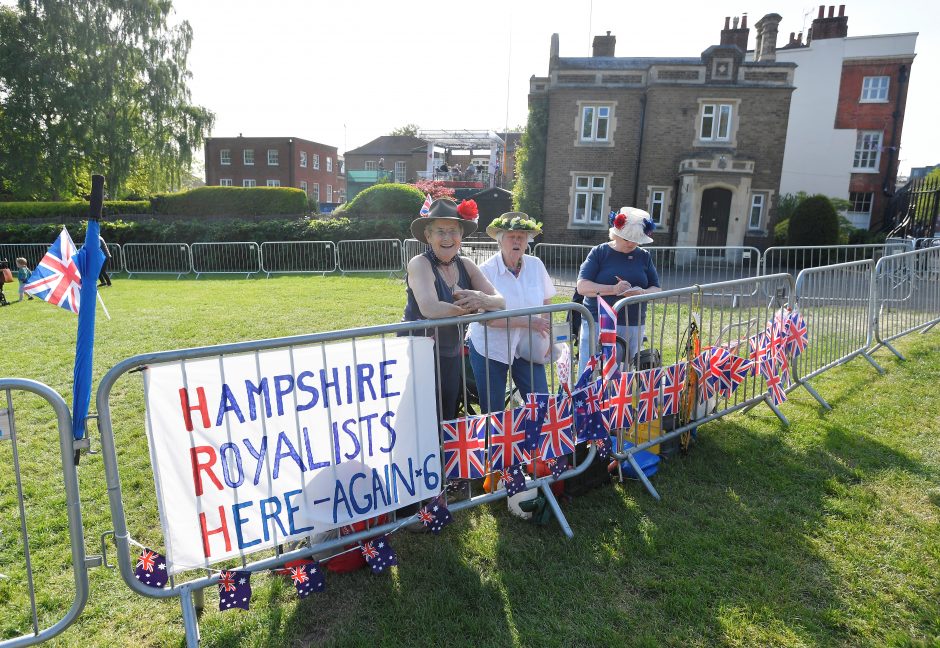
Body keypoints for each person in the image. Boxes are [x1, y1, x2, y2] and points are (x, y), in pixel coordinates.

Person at [401, 198, 504, 419]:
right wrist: (473, 309)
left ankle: (444, 454)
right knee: (420, 416)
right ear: (428, 236)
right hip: (419, 354)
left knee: (448, 411)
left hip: (451, 353)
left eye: (453, 231)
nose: (447, 238)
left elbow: (500, 300)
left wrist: (481, 299)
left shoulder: (466, 264)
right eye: (440, 231)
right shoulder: (419, 264)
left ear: (461, 235)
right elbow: (430, 308)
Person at [467, 213, 555, 413]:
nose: (517, 241)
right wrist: (528, 322)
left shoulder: (536, 265)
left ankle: (532, 443)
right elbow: (486, 320)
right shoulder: (486, 271)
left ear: (527, 242)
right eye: (511, 236)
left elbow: (547, 302)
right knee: (494, 410)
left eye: (521, 237)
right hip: (490, 348)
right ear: (500, 240)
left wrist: (547, 337)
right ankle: (495, 444)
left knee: (540, 401)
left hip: (527, 346)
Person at [576, 207, 661, 376]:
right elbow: (582, 286)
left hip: (633, 323)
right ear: (615, 234)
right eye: (626, 239)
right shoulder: (600, 252)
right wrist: (613, 289)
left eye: (635, 240)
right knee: (592, 371)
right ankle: (590, 402)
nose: (631, 244)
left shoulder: (644, 256)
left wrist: (641, 293)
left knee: (624, 373)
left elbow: (656, 288)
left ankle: (618, 402)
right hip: (599, 322)